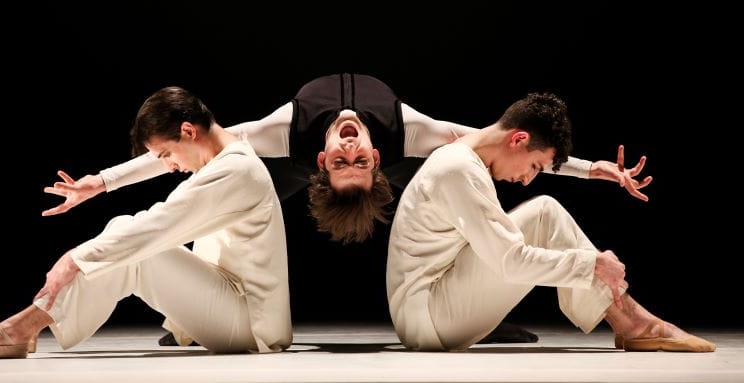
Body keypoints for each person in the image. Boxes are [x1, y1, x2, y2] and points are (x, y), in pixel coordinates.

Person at [41, 74, 650, 346]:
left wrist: (103, 181)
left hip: (292, 174)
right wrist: (592, 167)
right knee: (215, 201)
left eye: (348, 160)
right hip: (286, 187)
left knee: (214, 196)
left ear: (323, 159)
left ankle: (486, 314)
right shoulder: (407, 131)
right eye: (355, 160)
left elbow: (508, 138)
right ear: (375, 159)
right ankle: (187, 319)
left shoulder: (291, 131)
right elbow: (505, 137)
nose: (353, 149)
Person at [0, 86, 292, 361]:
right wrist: (100, 182)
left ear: (188, 131)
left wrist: (74, 258)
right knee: (126, 230)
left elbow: (159, 225)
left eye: (165, 154)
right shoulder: (224, 159)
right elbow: (152, 222)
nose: (168, 165)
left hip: (252, 325)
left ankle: (18, 330)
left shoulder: (236, 169)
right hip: (234, 303)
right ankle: (22, 329)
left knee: (137, 247)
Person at [386, 92, 715, 353]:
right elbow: (510, 263)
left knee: (544, 210)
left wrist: (590, 169)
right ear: (518, 140)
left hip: (427, 303)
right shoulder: (459, 168)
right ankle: (636, 325)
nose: (527, 179)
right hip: (427, 317)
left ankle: (632, 323)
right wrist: (592, 265)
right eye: (534, 166)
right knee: (541, 219)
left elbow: (535, 153)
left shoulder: (464, 152)